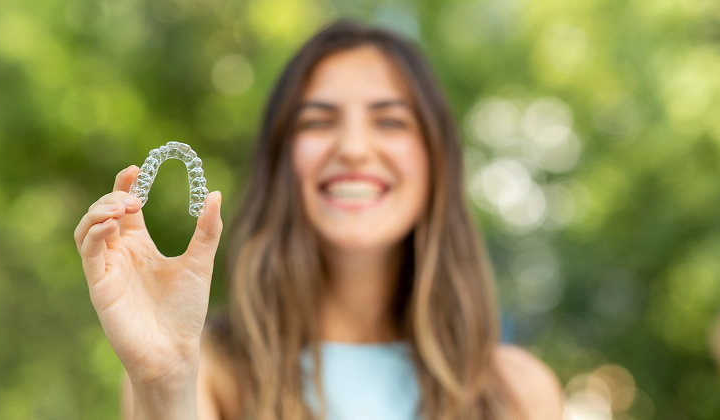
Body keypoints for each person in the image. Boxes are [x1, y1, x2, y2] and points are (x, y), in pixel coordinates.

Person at [74, 20, 563, 420]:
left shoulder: (521, 393)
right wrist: (164, 385)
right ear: (282, 164)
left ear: (436, 160)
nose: (352, 148)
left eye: (390, 120)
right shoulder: (206, 370)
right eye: (318, 121)